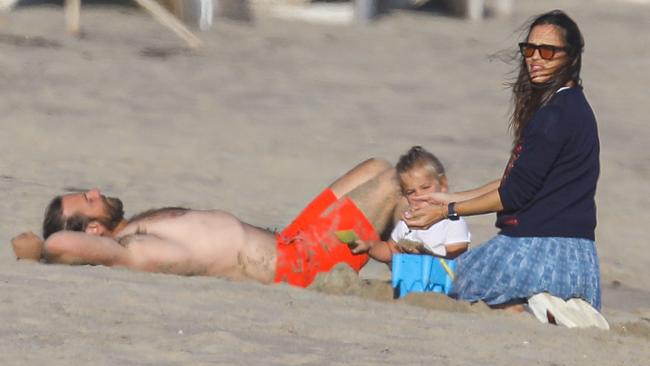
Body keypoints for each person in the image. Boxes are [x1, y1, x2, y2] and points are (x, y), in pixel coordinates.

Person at [401, 10, 607, 328]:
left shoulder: (552, 117)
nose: (535, 58)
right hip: (579, 263)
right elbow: (524, 179)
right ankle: (534, 303)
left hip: (537, 253)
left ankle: (523, 304)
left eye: (548, 51)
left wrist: (447, 212)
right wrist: (449, 197)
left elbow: (512, 194)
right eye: (530, 49)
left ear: (572, 57)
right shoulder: (577, 109)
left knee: (445, 282)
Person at [11, 158, 402, 288]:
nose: (95, 191)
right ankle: (419, 261)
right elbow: (63, 244)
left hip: (292, 238)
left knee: (378, 168)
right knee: (392, 181)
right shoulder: (130, 251)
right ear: (92, 231)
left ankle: (404, 247)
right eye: (87, 200)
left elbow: (68, 241)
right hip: (301, 265)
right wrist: (40, 252)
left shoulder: (134, 229)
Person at [351, 146, 470, 264]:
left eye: (425, 187)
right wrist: (370, 246)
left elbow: (457, 257)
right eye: (411, 192)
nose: (419, 195)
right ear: (404, 196)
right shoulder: (408, 221)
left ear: (443, 185)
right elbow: (390, 250)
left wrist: (426, 255)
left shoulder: (451, 220)